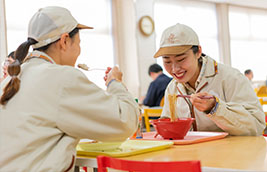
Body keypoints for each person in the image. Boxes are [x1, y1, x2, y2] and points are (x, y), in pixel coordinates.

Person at [0, 6, 139, 172]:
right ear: (64, 41)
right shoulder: (62, 77)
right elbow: (125, 122)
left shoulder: (10, 80)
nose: (79, 50)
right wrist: (115, 83)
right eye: (79, 43)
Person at [154, 23, 265, 136]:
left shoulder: (230, 78)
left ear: (198, 52)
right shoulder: (173, 87)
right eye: (167, 61)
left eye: (181, 59)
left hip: (232, 152)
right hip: (192, 152)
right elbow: (169, 125)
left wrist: (215, 108)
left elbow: (256, 126)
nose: (174, 69)